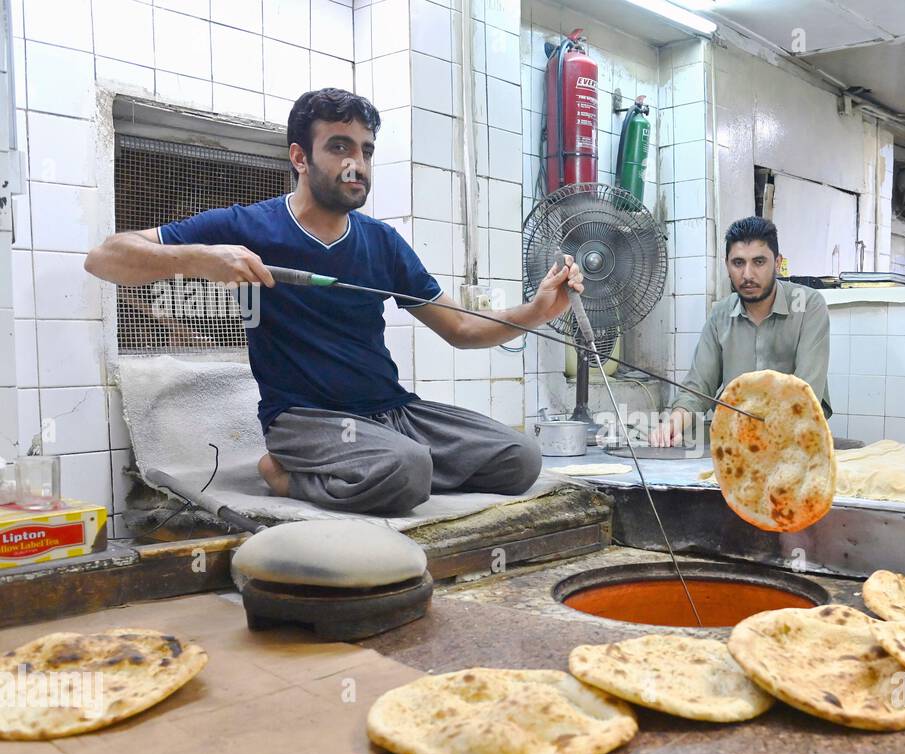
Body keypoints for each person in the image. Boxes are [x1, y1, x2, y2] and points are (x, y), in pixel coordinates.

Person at [85, 88, 582, 515]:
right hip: (306, 419)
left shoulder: (382, 242)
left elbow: (462, 328)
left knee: (519, 458)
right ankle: (286, 473)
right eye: (340, 147)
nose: (356, 164)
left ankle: (375, 468)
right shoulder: (249, 227)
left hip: (391, 412)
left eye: (366, 151)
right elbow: (105, 258)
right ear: (300, 158)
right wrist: (201, 258)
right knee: (408, 468)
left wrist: (536, 310)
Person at [650, 216, 829, 447]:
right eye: (738, 263)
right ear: (727, 265)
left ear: (777, 263)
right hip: (737, 444)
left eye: (759, 262)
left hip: (795, 441)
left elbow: (806, 393)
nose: (747, 275)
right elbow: (698, 387)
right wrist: (674, 421)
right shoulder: (720, 315)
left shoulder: (808, 306)